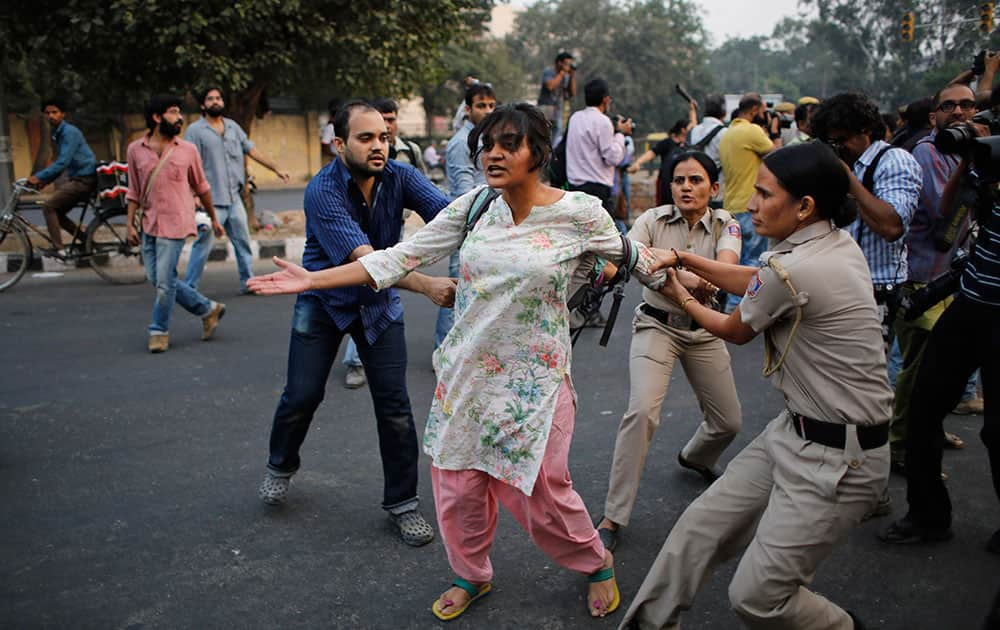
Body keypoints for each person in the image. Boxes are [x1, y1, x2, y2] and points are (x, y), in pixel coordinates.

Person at [247, 103, 676, 621]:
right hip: (467, 373)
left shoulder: (580, 213)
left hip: (534, 382)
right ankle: (472, 573)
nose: (493, 154)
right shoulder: (476, 206)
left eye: (508, 144)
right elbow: (397, 257)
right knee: (457, 487)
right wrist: (313, 280)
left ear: (537, 154)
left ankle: (594, 561)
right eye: (487, 144)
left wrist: (694, 284)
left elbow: (635, 259)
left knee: (541, 489)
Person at [619, 142, 891, 630]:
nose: (751, 203)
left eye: (764, 194)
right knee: (696, 531)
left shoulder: (796, 268)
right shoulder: (829, 241)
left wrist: (678, 288)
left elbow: (734, 329)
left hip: (838, 459)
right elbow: (755, 279)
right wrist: (683, 256)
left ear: (804, 206)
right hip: (795, 432)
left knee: (758, 598)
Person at [254, 101, 454, 547]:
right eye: (366, 138)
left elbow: (450, 214)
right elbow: (368, 261)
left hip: (379, 308)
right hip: (323, 301)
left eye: (383, 137)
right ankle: (280, 464)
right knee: (302, 394)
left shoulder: (400, 176)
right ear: (339, 143)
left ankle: (402, 503)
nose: (379, 146)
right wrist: (426, 285)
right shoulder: (321, 190)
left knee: (396, 408)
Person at [596, 150, 743, 553]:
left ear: (713, 188)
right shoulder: (651, 220)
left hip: (705, 330)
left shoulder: (727, 224)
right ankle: (613, 515)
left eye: (696, 180)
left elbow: (727, 270)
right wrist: (690, 279)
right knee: (642, 411)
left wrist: (675, 272)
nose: (686, 187)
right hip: (656, 326)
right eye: (679, 180)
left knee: (728, 422)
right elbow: (634, 261)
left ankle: (696, 457)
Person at [878, 125, 999, 553]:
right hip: (970, 304)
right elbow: (949, 218)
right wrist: (972, 161)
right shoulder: (984, 166)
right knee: (922, 408)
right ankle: (928, 516)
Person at [887, 84, 977, 474]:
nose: (959, 112)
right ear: (934, 117)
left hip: (949, 276)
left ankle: (926, 431)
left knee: (940, 368)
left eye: (968, 105)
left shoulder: (971, 152)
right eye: (949, 106)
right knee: (918, 370)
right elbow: (947, 209)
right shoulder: (927, 153)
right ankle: (899, 444)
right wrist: (971, 163)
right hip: (920, 280)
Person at [810, 92, 922, 349]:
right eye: (829, 142)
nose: (836, 148)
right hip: (835, 282)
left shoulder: (893, 162)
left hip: (876, 287)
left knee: (864, 372)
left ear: (865, 131)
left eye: (841, 140)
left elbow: (892, 227)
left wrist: (848, 178)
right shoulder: (842, 162)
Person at [124, 94, 226, 354]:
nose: (179, 117)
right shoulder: (136, 150)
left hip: (177, 222)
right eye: (173, 112)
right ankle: (207, 309)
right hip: (149, 222)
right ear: (157, 118)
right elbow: (133, 190)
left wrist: (214, 218)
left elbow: (202, 187)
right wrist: (130, 225)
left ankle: (159, 330)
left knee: (164, 283)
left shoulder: (187, 150)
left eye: (180, 112)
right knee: (156, 277)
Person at [184, 87, 290, 294]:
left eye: (218, 98)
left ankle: (248, 283)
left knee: (243, 242)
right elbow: (188, 164)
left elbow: (252, 151)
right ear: (203, 104)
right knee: (202, 246)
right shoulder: (195, 131)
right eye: (210, 99)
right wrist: (192, 195)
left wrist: (275, 168)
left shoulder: (232, 127)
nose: (215, 102)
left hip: (234, 198)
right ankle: (189, 289)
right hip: (211, 201)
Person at [436, 83, 497, 348]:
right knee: (456, 290)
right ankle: (445, 350)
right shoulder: (462, 142)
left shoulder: (489, 139)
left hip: (487, 223)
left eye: (491, 106)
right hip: (468, 224)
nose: (487, 111)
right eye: (481, 106)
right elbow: (463, 193)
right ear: (468, 109)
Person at [718, 93, 778, 310]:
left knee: (735, 260)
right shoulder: (751, 131)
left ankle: (731, 306)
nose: (765, 115)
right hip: (749, 205)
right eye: (763, 111)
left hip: (731, 205)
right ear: (754, 110)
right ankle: (738, 309)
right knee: (752, 260)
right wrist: (774, 129)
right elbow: (778, 157)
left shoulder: (728, 134)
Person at [28, 97, 98, 258]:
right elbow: (63, 164)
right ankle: (87, 243)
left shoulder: (69, 132)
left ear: (63, 114)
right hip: (80, 178)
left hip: (85, 179)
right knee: (57, 213)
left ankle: (58, 248)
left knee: (49, 207)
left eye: (55, 112)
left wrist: (38, 177)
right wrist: (45, 181)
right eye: (47, 113)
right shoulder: (59, 132)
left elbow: (63, 162)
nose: (51, 116)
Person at [566, 78, 633, 222]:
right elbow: (613, 157)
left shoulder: (575, 118)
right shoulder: (603, 121)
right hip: (597, 189)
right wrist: (621, 134)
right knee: (602, 237)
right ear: (606, 100)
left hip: (574, 188)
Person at [629, 116, 693, 206]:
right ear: (683, 130)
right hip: (665, 182)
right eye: (690, 128)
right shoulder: (666, 143)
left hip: (682, 182)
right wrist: (638, 163)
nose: (693, 129)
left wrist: (692, 109)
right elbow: (652, 153)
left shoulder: (688, 145)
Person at [688, 94, 729, 203]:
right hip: (716, 194)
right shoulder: (724, 133)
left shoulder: (695, 130)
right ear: (723, 111)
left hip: (695, 192)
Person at [371, 98, 428, 173]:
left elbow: (423, 181)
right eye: (382, 120)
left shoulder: (412, 150)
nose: (387, 125)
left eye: (391, 120)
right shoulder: (367, 151)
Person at [538, 51, 577, 144]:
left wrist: (572, 76)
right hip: (546, 107)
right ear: (559, 62)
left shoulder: (566, 76)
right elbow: (550, 86)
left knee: (556, 134)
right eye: (566, 63)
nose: (568, 66)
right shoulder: (549, 71)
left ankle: (551, 155)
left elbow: (572, 93)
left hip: (558, 109)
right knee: (543, 133)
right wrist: (562, 73)